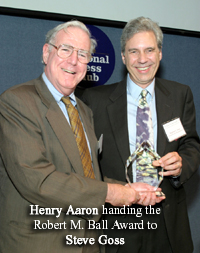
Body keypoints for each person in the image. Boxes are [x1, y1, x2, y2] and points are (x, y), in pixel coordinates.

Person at [0, 20, 164, 253]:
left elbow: (85, 175)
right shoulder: (18, 102)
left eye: (83, 54)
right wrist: (113, 193)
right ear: (47, 53)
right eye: (65, 49)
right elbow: (39, 181)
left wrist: (131, 191)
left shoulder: (84, 111)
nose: (74, 60)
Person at [82, 17, 200, 253]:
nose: (142, 59)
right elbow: (84, 161)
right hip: (117, 222)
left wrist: (182, 163)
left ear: (160, 53)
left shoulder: (180, 95)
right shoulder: (94, 100)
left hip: (167, 222)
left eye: (149, 50)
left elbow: (190, 144)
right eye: (133, 52)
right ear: (124, 58)